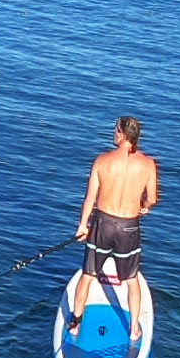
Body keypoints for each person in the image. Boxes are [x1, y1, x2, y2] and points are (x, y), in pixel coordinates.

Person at [65, 116, 158, 341]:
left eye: (116, 130)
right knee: (131, 279)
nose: (113, 133)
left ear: (123, 135)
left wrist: (82, 226)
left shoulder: (102, 160)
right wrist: (144, 207)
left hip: (102, 224)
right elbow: (153, 199)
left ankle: (75, 324)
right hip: (128, 226)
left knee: (87, 275)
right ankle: (134, 329)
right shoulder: (148, 164)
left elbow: (89, 199)